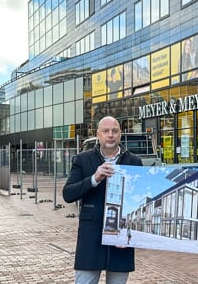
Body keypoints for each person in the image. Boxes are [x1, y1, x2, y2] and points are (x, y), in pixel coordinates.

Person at [62, 116, 142, 284]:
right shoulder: (83, 160)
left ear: (120, 134)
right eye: (106, 131)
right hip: (91, 238)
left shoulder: (134, 162)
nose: (110, 135)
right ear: (98, 135)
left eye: (114, 131)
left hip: (121, 242)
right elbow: (68, 194)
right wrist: (94, 178)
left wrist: (130, 233)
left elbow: (139, 201)